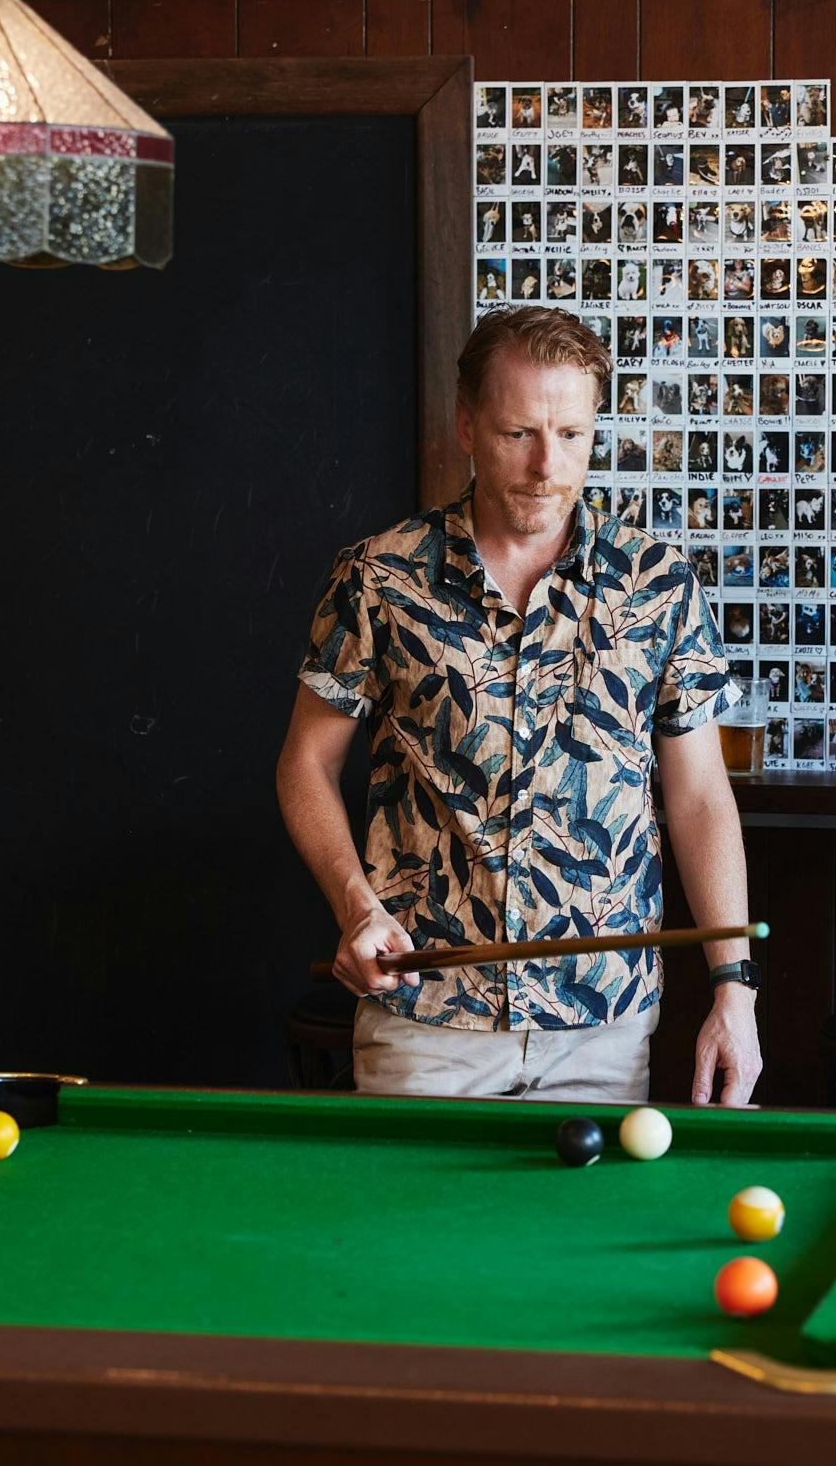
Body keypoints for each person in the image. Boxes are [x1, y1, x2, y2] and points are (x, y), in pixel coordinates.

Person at [279, 306, 764, 1107]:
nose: (548, 466)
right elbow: (304, 763)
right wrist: (355, 906)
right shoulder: (379, 577)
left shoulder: (658, 586)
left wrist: (734, 991)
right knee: (412, 1239)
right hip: (425, 1023)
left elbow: (702, 797)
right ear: (466, 426)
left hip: (601, 1026)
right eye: (519, 434)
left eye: (572, 435)